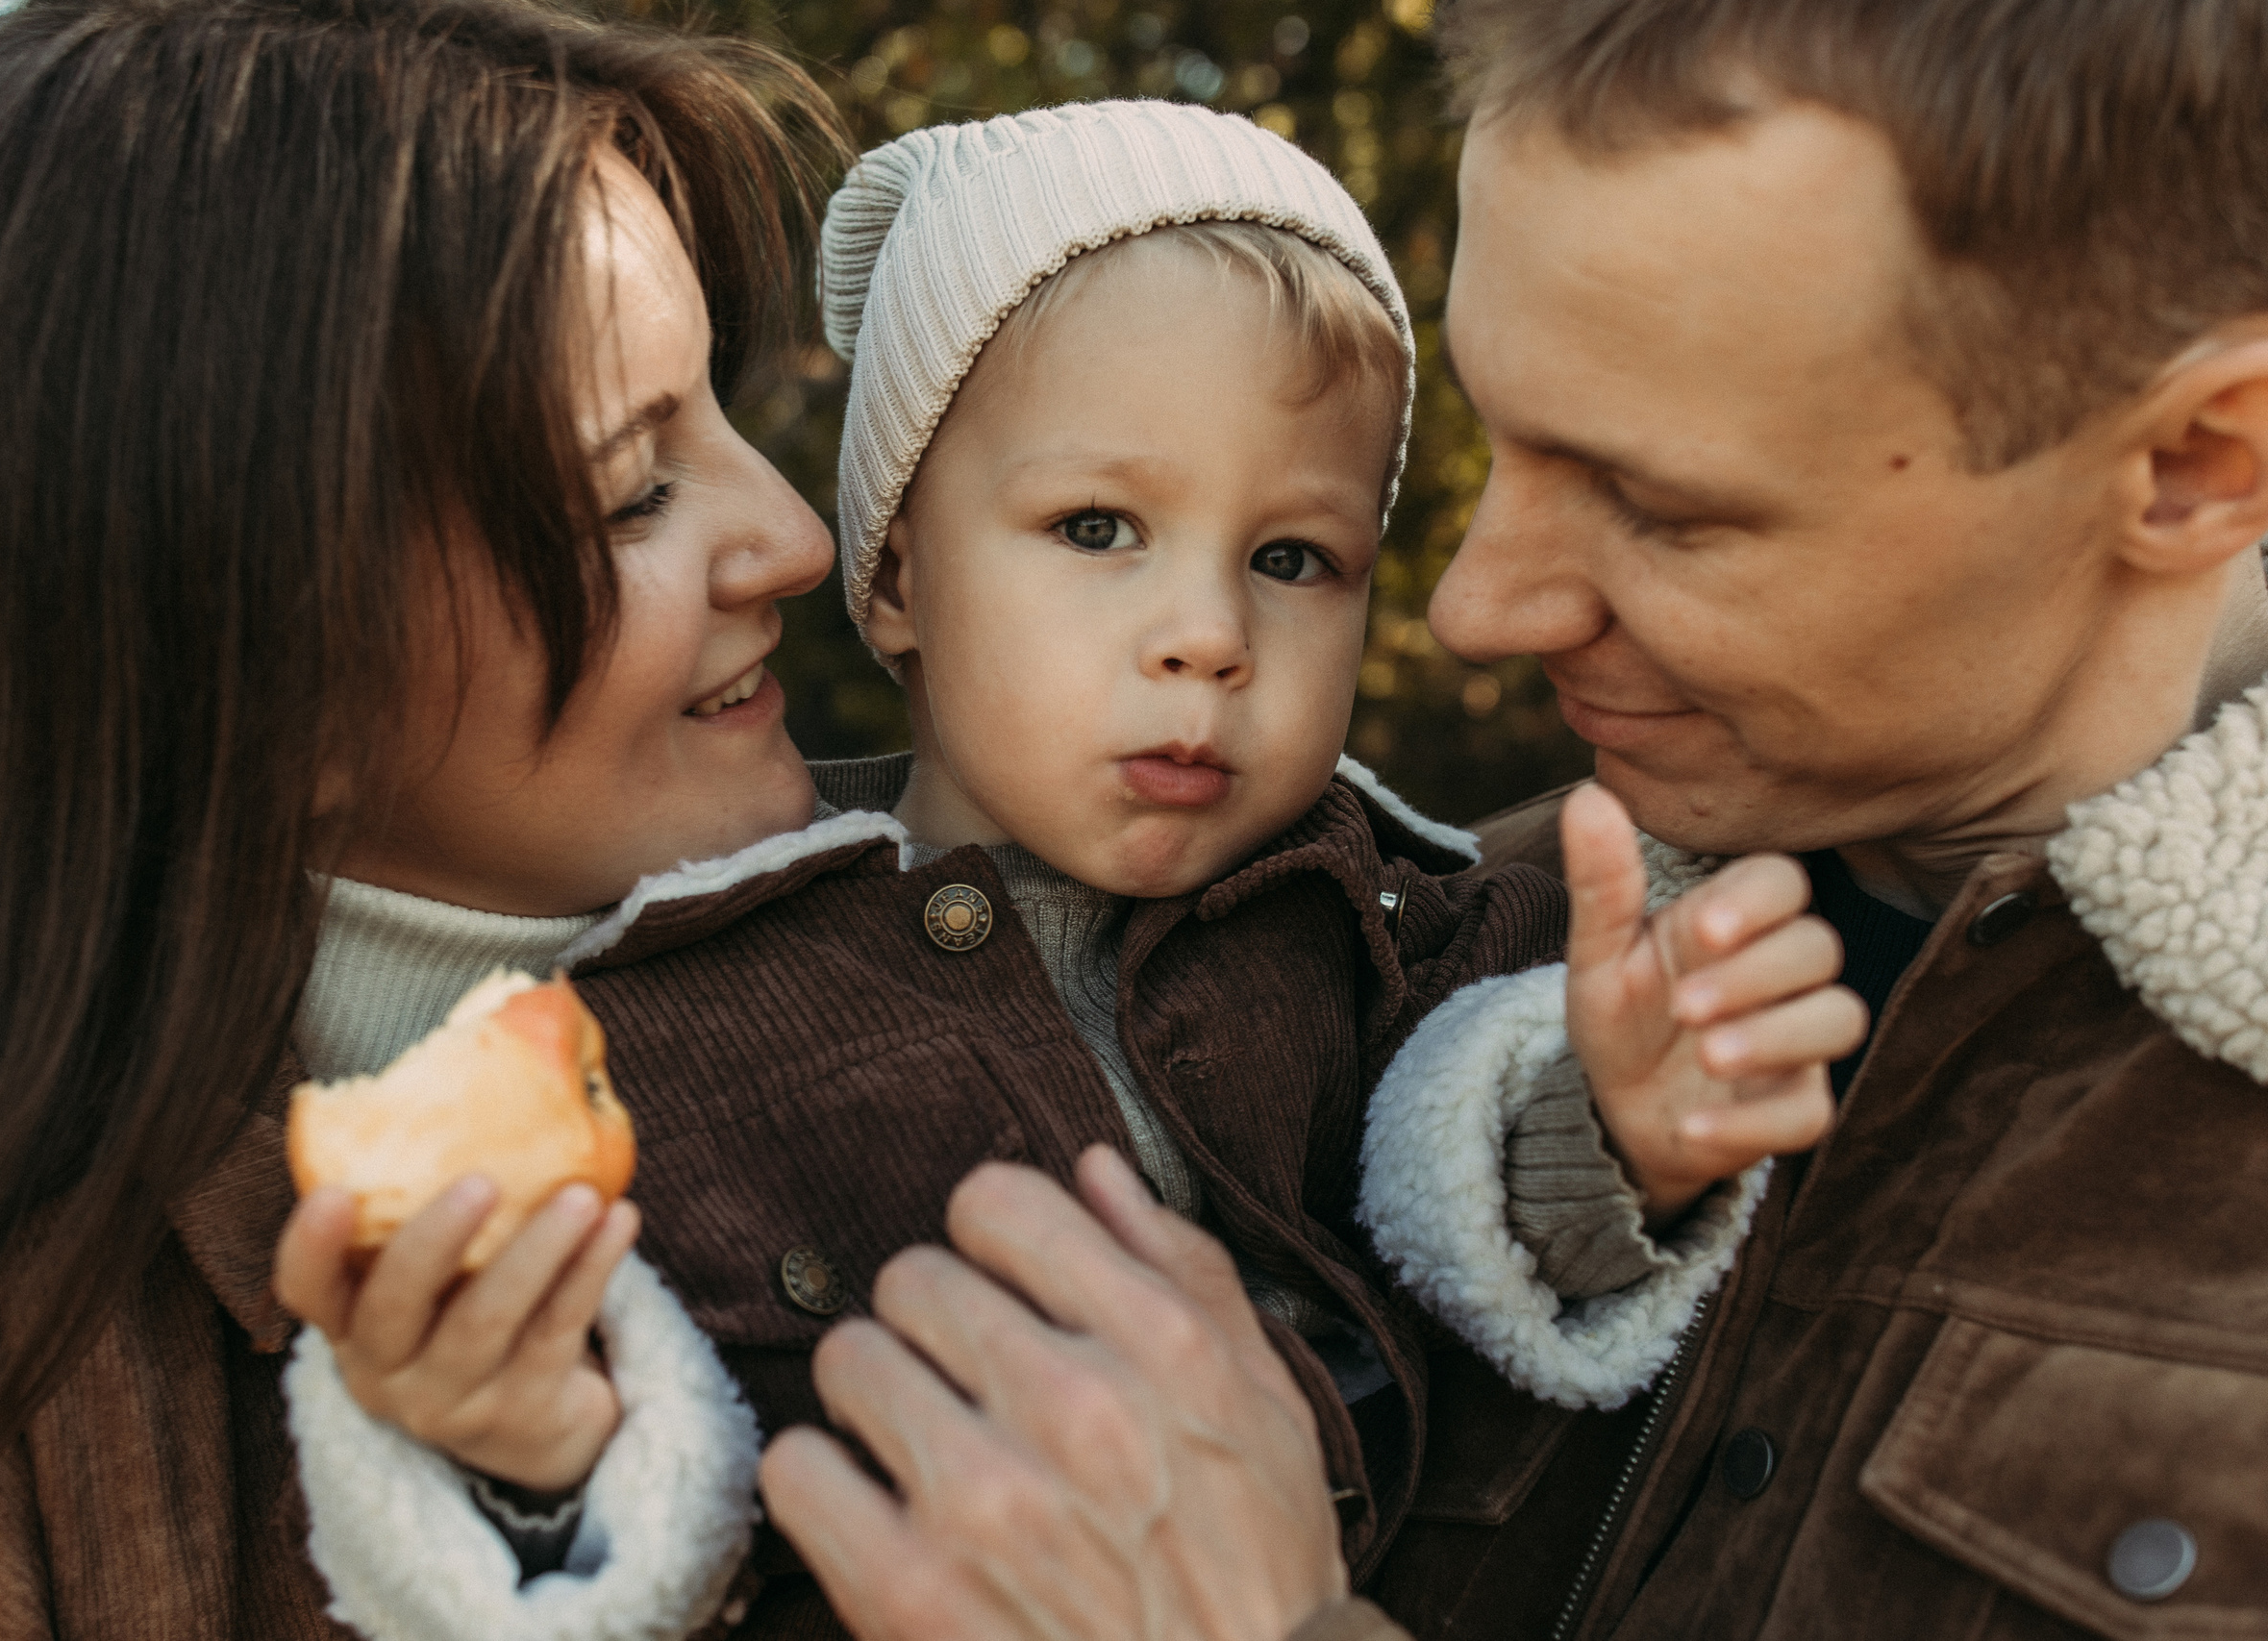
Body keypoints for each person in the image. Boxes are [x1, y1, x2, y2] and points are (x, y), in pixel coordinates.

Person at [755, 1, 2268, 1636]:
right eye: (1497, 446)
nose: (1477, 607)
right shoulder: (1447, 955)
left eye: (1661, 505)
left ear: (2191, 462)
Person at [276, 99, 1862, 1638]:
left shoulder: (1383, 920)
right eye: (1100, 528)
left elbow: (1483, 1213)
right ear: (896, 573)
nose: (1207, 637)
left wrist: (1621, 1132)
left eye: (1291, 560)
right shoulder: (679, 1002)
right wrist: (524, 1449)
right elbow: (652, 1501)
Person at [0, 1, 847, 1633]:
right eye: (634, 491)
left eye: (724, 414)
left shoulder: (1029, 939)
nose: (795, 538)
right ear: (261, 677)